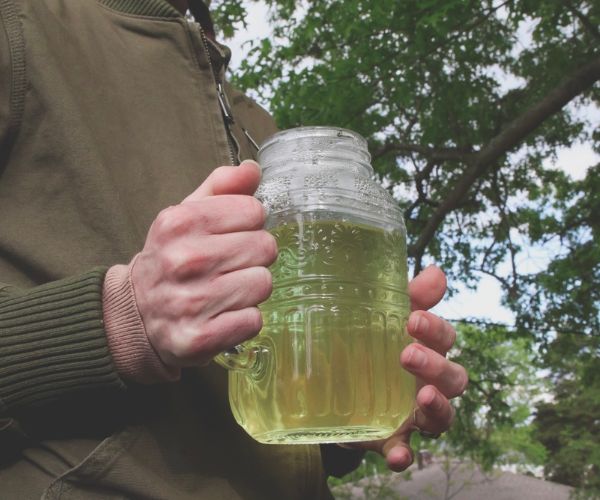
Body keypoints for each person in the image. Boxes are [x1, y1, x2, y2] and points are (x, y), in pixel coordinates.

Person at [0, 0, 468, 498]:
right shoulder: (20, 23)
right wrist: (118, 319)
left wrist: (349, 395)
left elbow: (255, 380)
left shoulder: (254, 121)